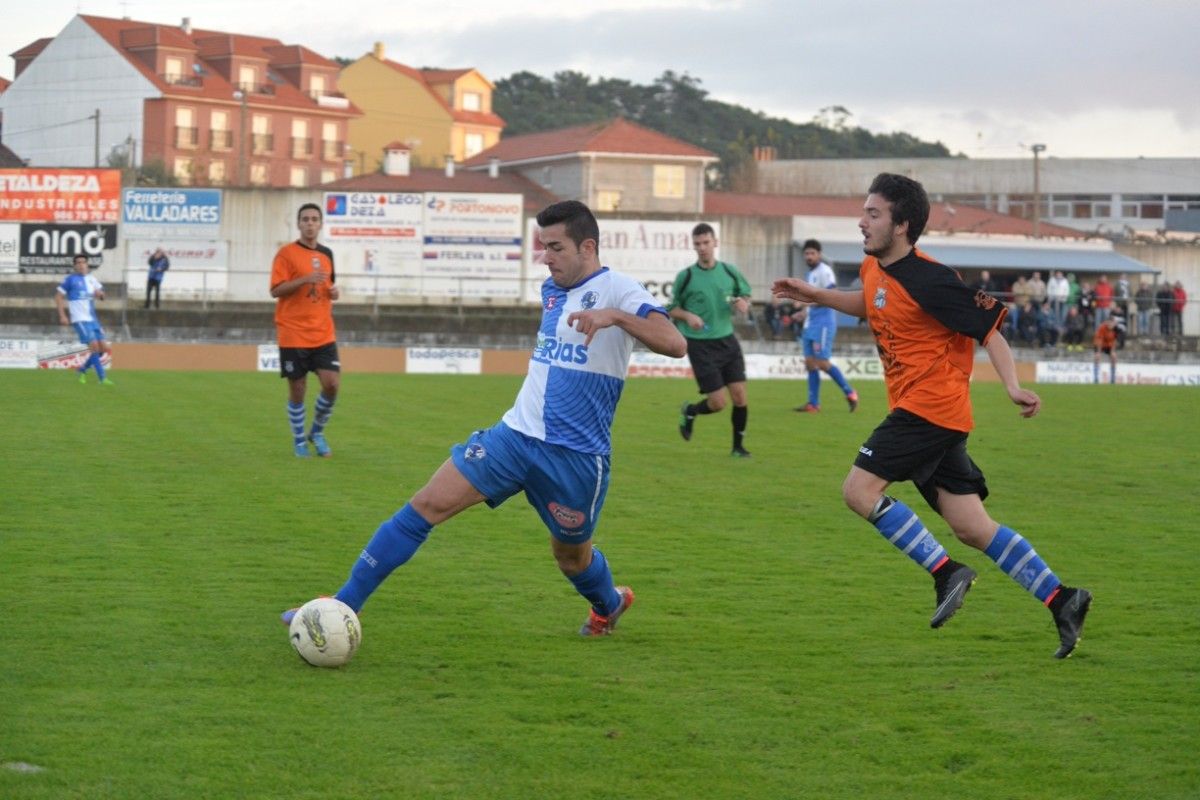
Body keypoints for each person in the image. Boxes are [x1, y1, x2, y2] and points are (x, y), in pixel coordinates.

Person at [281, 200, 687, 637]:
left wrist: (616, 317)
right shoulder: (551, 289)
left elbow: (675, 343)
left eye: (555, 247)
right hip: (513, 437)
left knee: (571, 558)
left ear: (588, 246)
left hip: (575, 457)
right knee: (426, 504)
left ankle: (608, 603)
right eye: (542, 247)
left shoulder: (622, 290)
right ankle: (341, 604)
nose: (545, 257)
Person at [772, 173, 1091, 659]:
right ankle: (1061, 598)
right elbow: (872, 306)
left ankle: (946, 573)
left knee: (858, 491)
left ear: (901, 225)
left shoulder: (933, 279)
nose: (862, 222)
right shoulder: (874, 268)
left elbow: (990, 329)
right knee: (972, 526)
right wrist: (813, 295)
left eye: (873, 214)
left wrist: (1011, 386)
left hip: (930, 409)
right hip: (932, 415)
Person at [671, 222, 755, 457]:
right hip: (699, 345)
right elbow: (671, 308)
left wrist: (743, 303)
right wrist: (687, 315)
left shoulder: (729, 272)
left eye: (706, 243)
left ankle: (738, 448)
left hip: (727, 340)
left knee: (740, 396)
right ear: (694, 246)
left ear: (715, 243)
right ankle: (690, 411)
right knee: (718, 403)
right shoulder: (686, 277)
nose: (703, 248)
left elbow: (745, 295)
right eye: (698, 244)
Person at [271, 203, 342, 457]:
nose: (310, 223)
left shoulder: (327, 254)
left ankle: (317, 432)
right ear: (298, 224)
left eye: (314, 219)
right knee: (298, 388)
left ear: (320, 224)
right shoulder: (286, 254)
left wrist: (334, 292)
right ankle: (299, 440)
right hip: (293, 332)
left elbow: (328, 287)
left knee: (332, 384)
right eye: (305, 219)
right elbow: (275, 290)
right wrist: (305, 279)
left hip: (323, 331)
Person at [794, 239, 859, 413]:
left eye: (812, 253)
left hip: (823, 323)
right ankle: (813, 404)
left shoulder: (825, 271)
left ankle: (850, 392)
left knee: (822, 362)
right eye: (806, 253)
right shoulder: (810, 274)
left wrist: (807, 304)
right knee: (809, 363)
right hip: (810, 323)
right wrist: (803, 312)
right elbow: (814, 299)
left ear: (819, 254)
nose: (809, 256)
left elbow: (831, 294)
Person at [55, 254, 114, 385]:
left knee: (103, 348)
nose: (81, 264)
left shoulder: (92, 279)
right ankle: (102, 378)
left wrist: (101, 295)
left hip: (93, 320)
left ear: (87, 264)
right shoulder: (70, 280)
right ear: (75, 266)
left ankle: (82, 369)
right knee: (94, 346)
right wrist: (62, 315)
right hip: (80, 319)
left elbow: (102, 295)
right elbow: (58, 297)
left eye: (83, 262)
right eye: (78, 262)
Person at [1093, 316, 1118, 384]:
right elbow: (1099, 340)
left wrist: (1112, 351)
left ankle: (1113, 379)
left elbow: (1115, 340)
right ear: (1107, 322)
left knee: (1114, 357)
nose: (1110, 325)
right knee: (1097, 357)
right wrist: (1098, 352)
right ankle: (1096, 378)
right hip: (1100, 344)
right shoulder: (1102, 328)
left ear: (1114, 323)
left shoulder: (1116, 329)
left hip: (1109, 345)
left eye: (1112, 323)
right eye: (1109, 323)